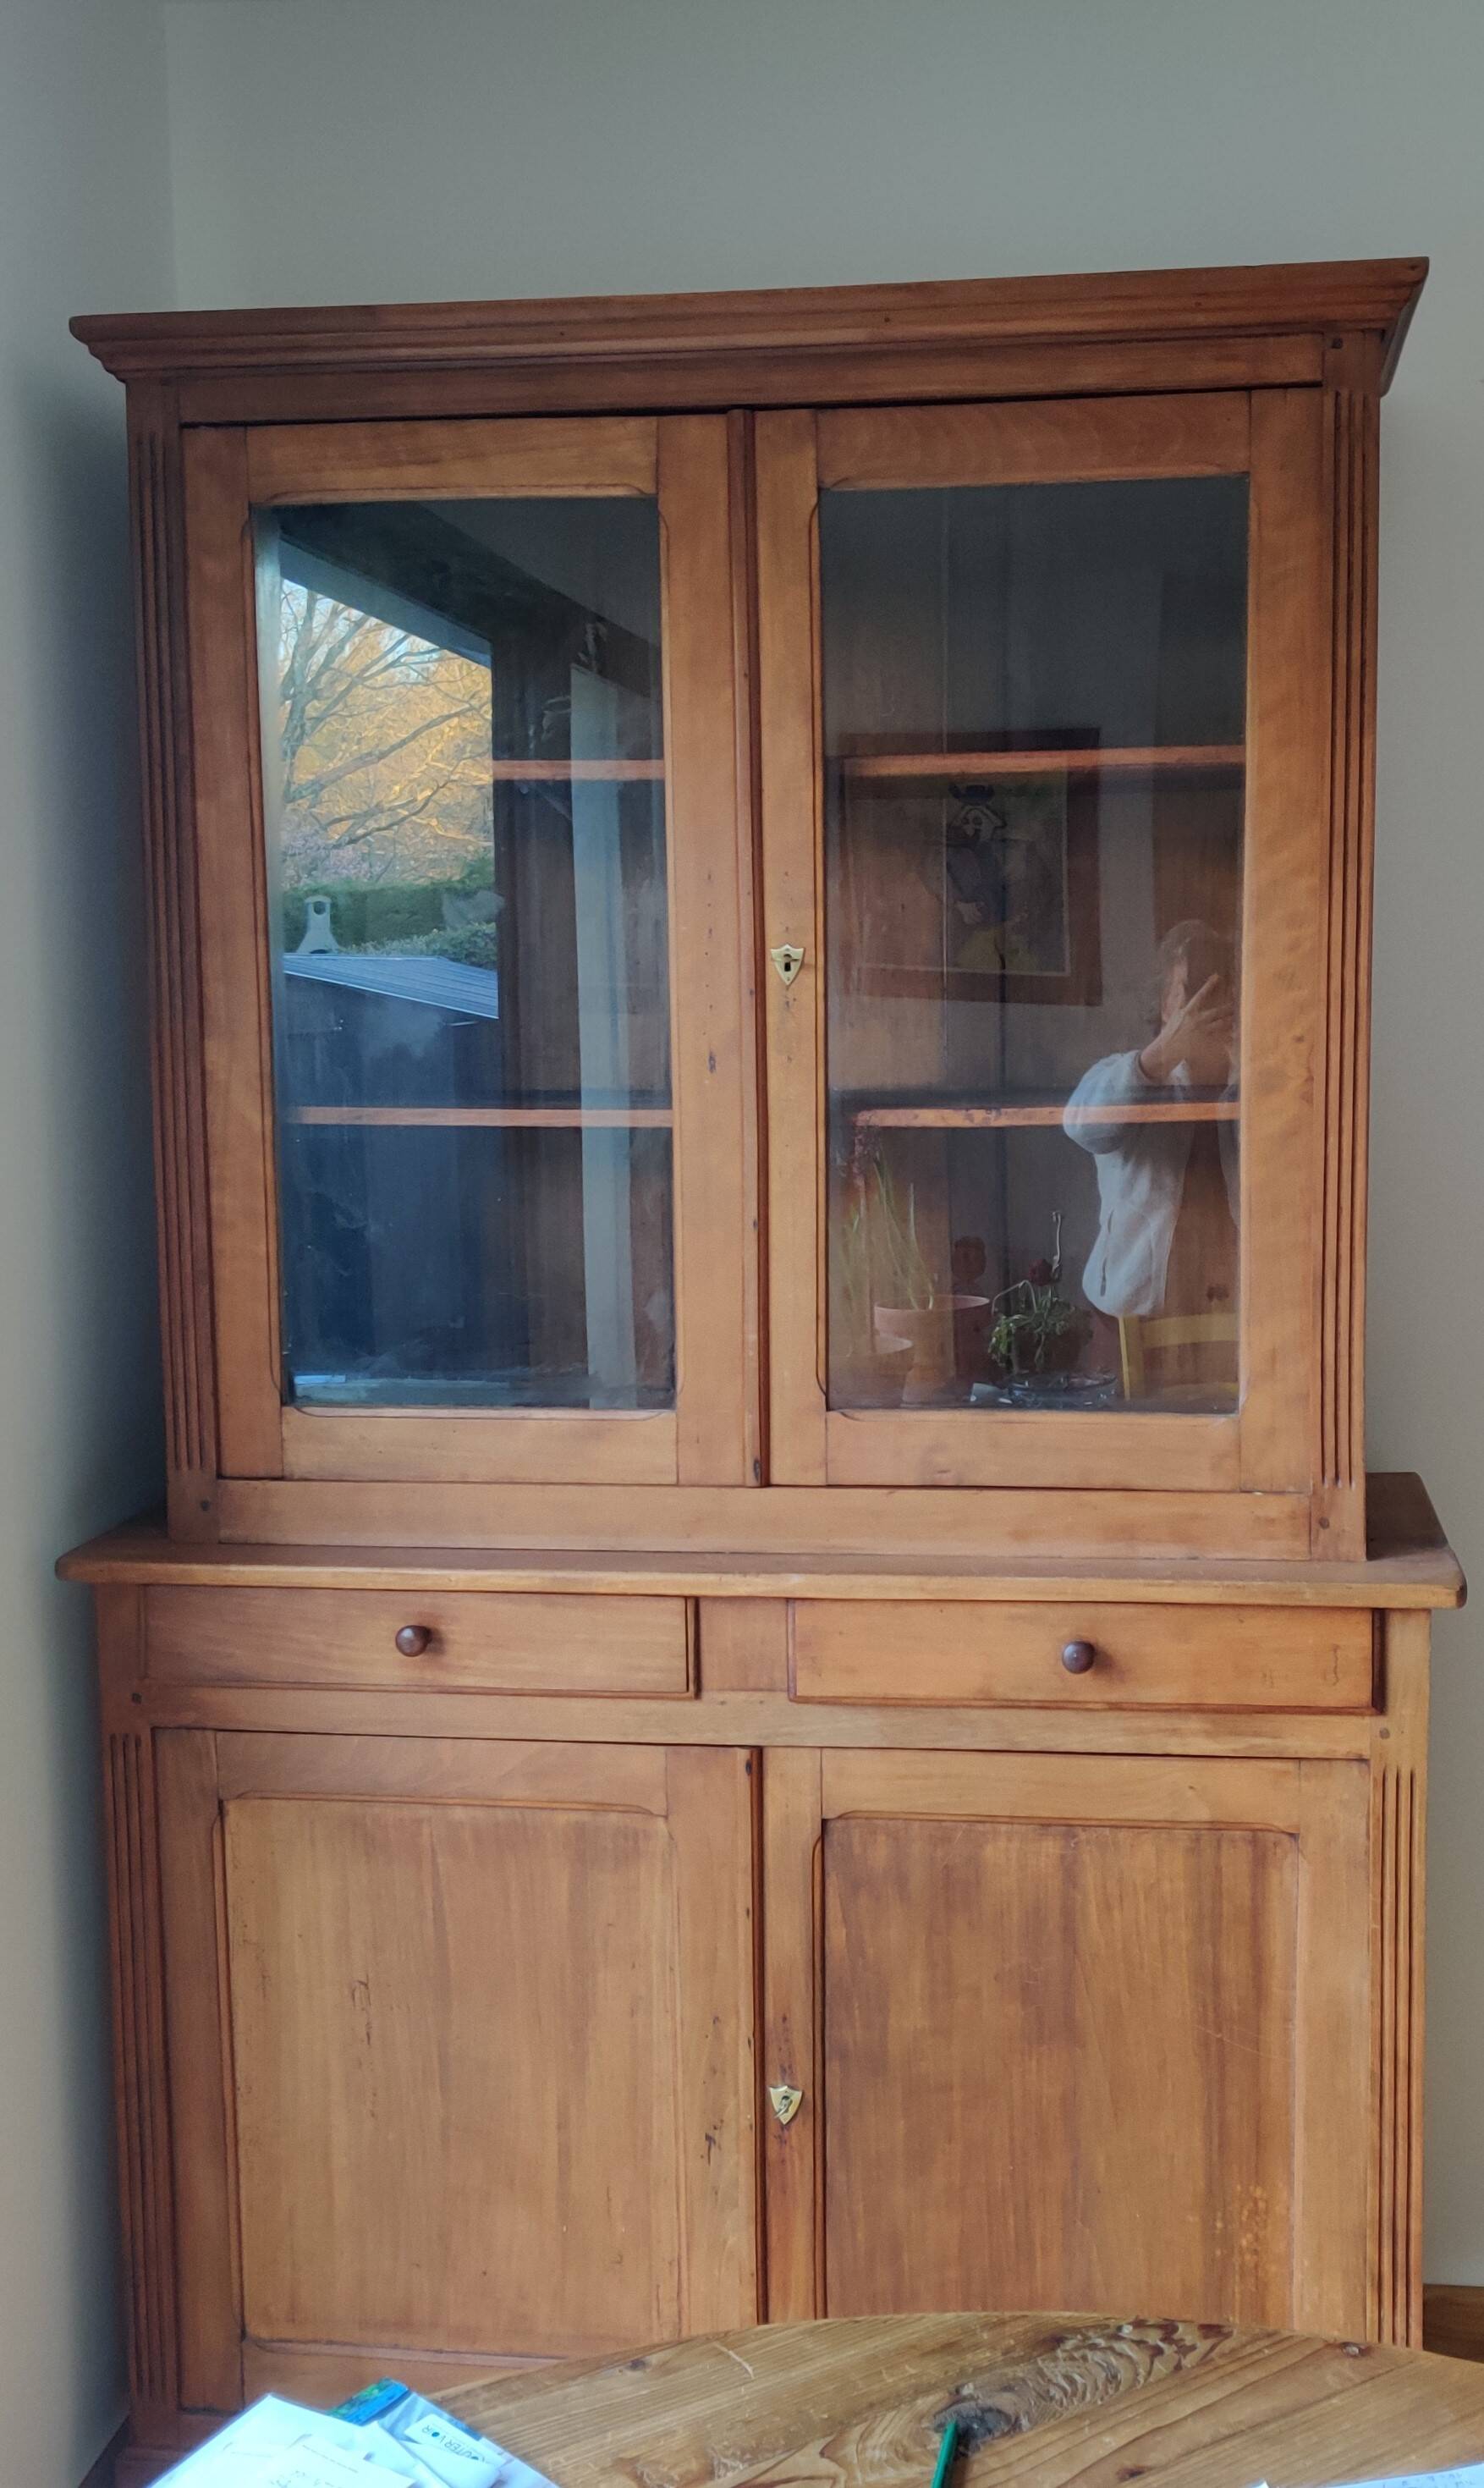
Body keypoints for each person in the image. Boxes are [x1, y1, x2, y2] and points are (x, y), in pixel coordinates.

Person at [1063, 922, 1239, 1381]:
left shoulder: (1256, 1082)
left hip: (1239, 1312)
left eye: (1221, 990)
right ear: (1165, 1005)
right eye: (1192, 990)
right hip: (1131, 1319)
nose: (1205, 1004)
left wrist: (1251, 1061)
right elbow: (1081, 1127)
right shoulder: (1126, 1075)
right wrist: (1158, 1058)